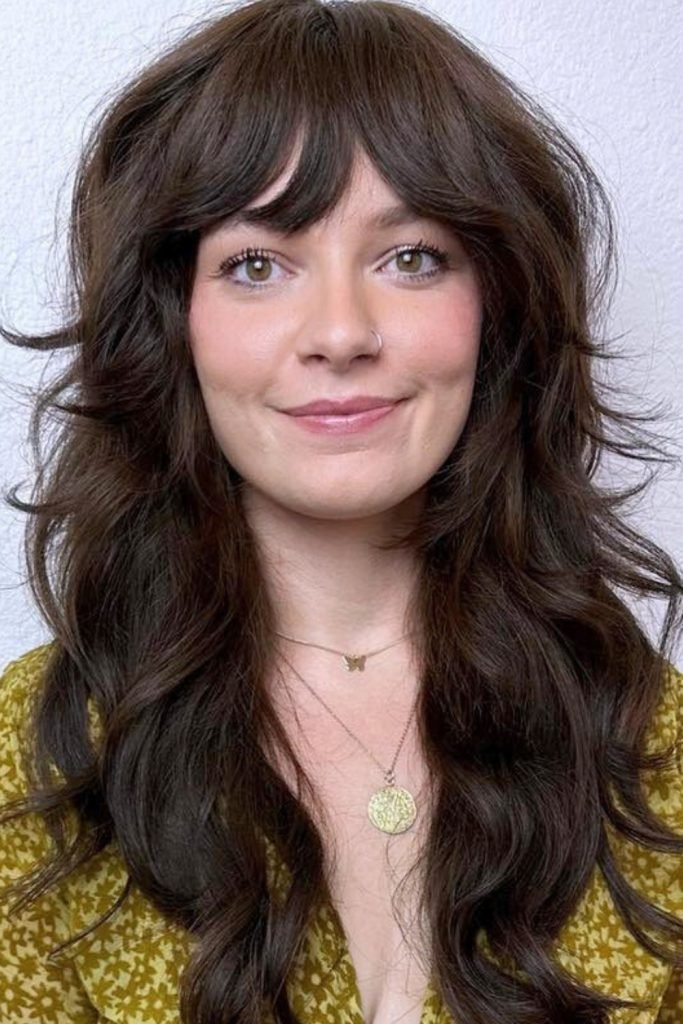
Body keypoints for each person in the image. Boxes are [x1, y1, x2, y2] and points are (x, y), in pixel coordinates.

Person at [0, 0, 681, 1021]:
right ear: (171, 322)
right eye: (256, 265)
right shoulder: (31, 754)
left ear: (497, 304)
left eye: (410, 257)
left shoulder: (656, 744)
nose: (340, 331)